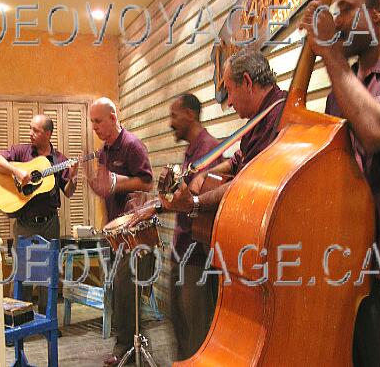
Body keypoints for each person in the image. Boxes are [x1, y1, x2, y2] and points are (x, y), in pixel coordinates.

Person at [300, 0, 380, 367]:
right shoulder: (347, 86)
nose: (337, 21)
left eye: (347, 9)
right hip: (358, 269)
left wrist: (331, 51)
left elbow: (375, 132)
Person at [161, 49, 288, 218]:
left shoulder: (279, 116)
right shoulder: (259, 119)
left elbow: (247, 183)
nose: (229, 102)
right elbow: (237, 160)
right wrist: (203, 174)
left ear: (247, 82)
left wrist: (195, 204)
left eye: (229, 91)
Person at [85, 97, 154, 367]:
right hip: (113, 234)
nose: (94, 127)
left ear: (113, 118)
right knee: (117, 292)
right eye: (92, 122)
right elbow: (106, 187)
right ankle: (128, 345)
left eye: (98, 121)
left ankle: (128, 348)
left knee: (128, 292)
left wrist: (114, 184)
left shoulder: (132, 146)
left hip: (133, 234)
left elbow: (147, 183)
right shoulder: (103, 152)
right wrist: (97, 185)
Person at [0, 114, 79, 315]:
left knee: (49, 274)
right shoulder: (21, 151)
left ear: (48, 134)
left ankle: (48, 320)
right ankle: (19, 322)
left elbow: (69, 192)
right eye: (30, 129)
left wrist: (73, 177)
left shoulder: (59, 160)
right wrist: (17, 171)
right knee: (22, 274)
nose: (30, 133)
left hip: (49, 223)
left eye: (35, 130)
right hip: (24, 224)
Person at [166, 94, 221, 360]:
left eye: (174, 116)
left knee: (196, 334)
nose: (170, 123)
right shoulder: (192, 152)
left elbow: (208, 202)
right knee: (180, 327)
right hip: (182, 253)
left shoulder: (210, 150)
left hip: (197, 257)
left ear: (190, 114)